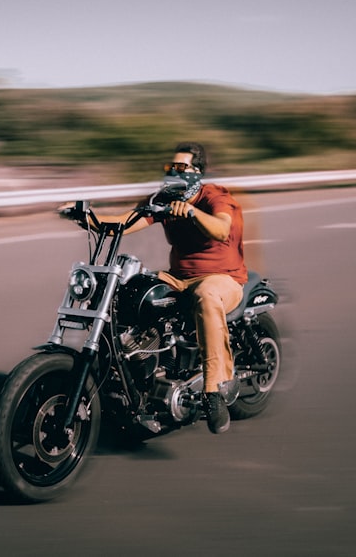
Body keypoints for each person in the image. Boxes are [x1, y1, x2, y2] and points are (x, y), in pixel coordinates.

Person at [90, 142, 246, 434]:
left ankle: (212, 392)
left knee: (206, 296)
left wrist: (190, 212)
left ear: (197, 172)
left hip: (222, 277)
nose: (174, 172)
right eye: (171, 167)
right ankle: (132, 372)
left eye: (181, 167)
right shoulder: (165, 198)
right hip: (179, 276)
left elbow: (221, 228)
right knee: (131, 292)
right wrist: (89, 219)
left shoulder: (215, 197)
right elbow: (125, 222)